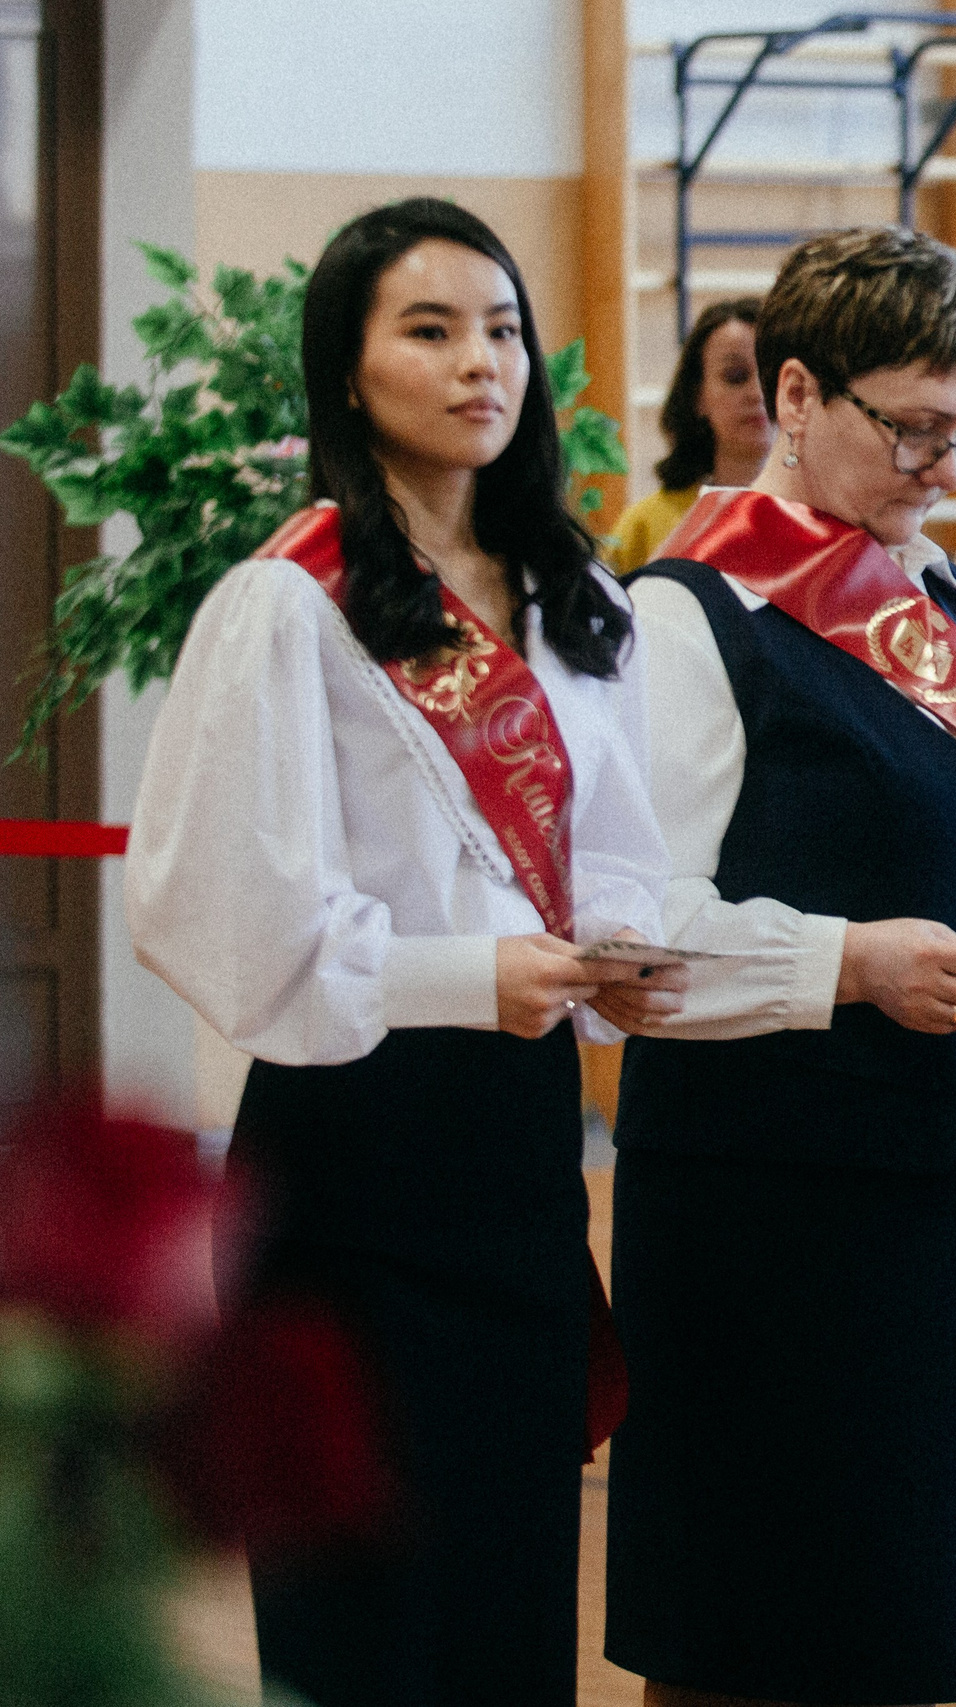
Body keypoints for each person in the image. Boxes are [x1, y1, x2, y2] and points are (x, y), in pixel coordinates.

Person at [601, 227, 956, 1706]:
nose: (944, 464)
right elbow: (635, 927)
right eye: (913, 427)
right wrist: (849, 961)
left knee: (915, 1620)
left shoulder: (933, 588)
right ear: (797, 394)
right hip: (774, 1186)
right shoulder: (691, 611)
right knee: (749, 1625)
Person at [125, 198, 681, 1706]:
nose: (479, 362)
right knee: (370, 1611)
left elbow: (619, 850)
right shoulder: (286, 604)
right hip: (352, 1142)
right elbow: (222, 911)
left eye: (501, 329)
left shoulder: (578, 599)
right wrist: (471, 975)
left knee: (508, 1591)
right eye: (429, 331)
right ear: (348, 370)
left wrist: (622, 950)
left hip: (519, 1140)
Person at [604, 296, 770, 574]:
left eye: (772, 375)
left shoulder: (823, 521)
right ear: (698, 397)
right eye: (735, 376)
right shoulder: (642, 526)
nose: (757, 393)